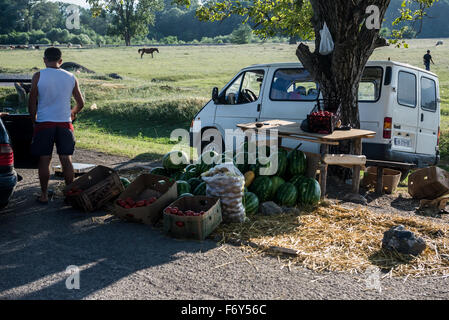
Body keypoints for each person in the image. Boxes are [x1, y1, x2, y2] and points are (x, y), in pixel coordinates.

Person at [28, 47, 84, 204]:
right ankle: (70, 194)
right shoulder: (71, 76)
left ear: (44, 60)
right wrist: (72, 113)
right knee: (66, 159)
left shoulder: (38, 75)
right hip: (64, 124)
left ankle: (44, 195)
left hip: (44, 123)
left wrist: (34, 120)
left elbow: (32, 101)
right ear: (61, 61)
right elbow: (81, 103)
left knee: (44, 160)